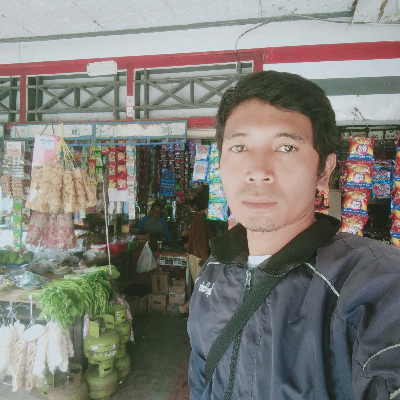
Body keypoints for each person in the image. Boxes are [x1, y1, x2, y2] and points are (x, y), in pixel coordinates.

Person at [187, 70, 400, 399]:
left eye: (286, 147)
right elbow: (202, 381)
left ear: (323, 170)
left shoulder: (375, 283)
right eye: (239, 147)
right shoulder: (212, 272)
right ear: (220, 164)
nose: (258, 172)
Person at [179, 190, 214, 314]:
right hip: (199, 257)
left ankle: (191, 309)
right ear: (205, 208)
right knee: (202, 286)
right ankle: (186, 308)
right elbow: (200, 242)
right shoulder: (200, 221)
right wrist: (206, 260)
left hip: (196, 256)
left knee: (201, 286)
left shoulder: (198, 219)